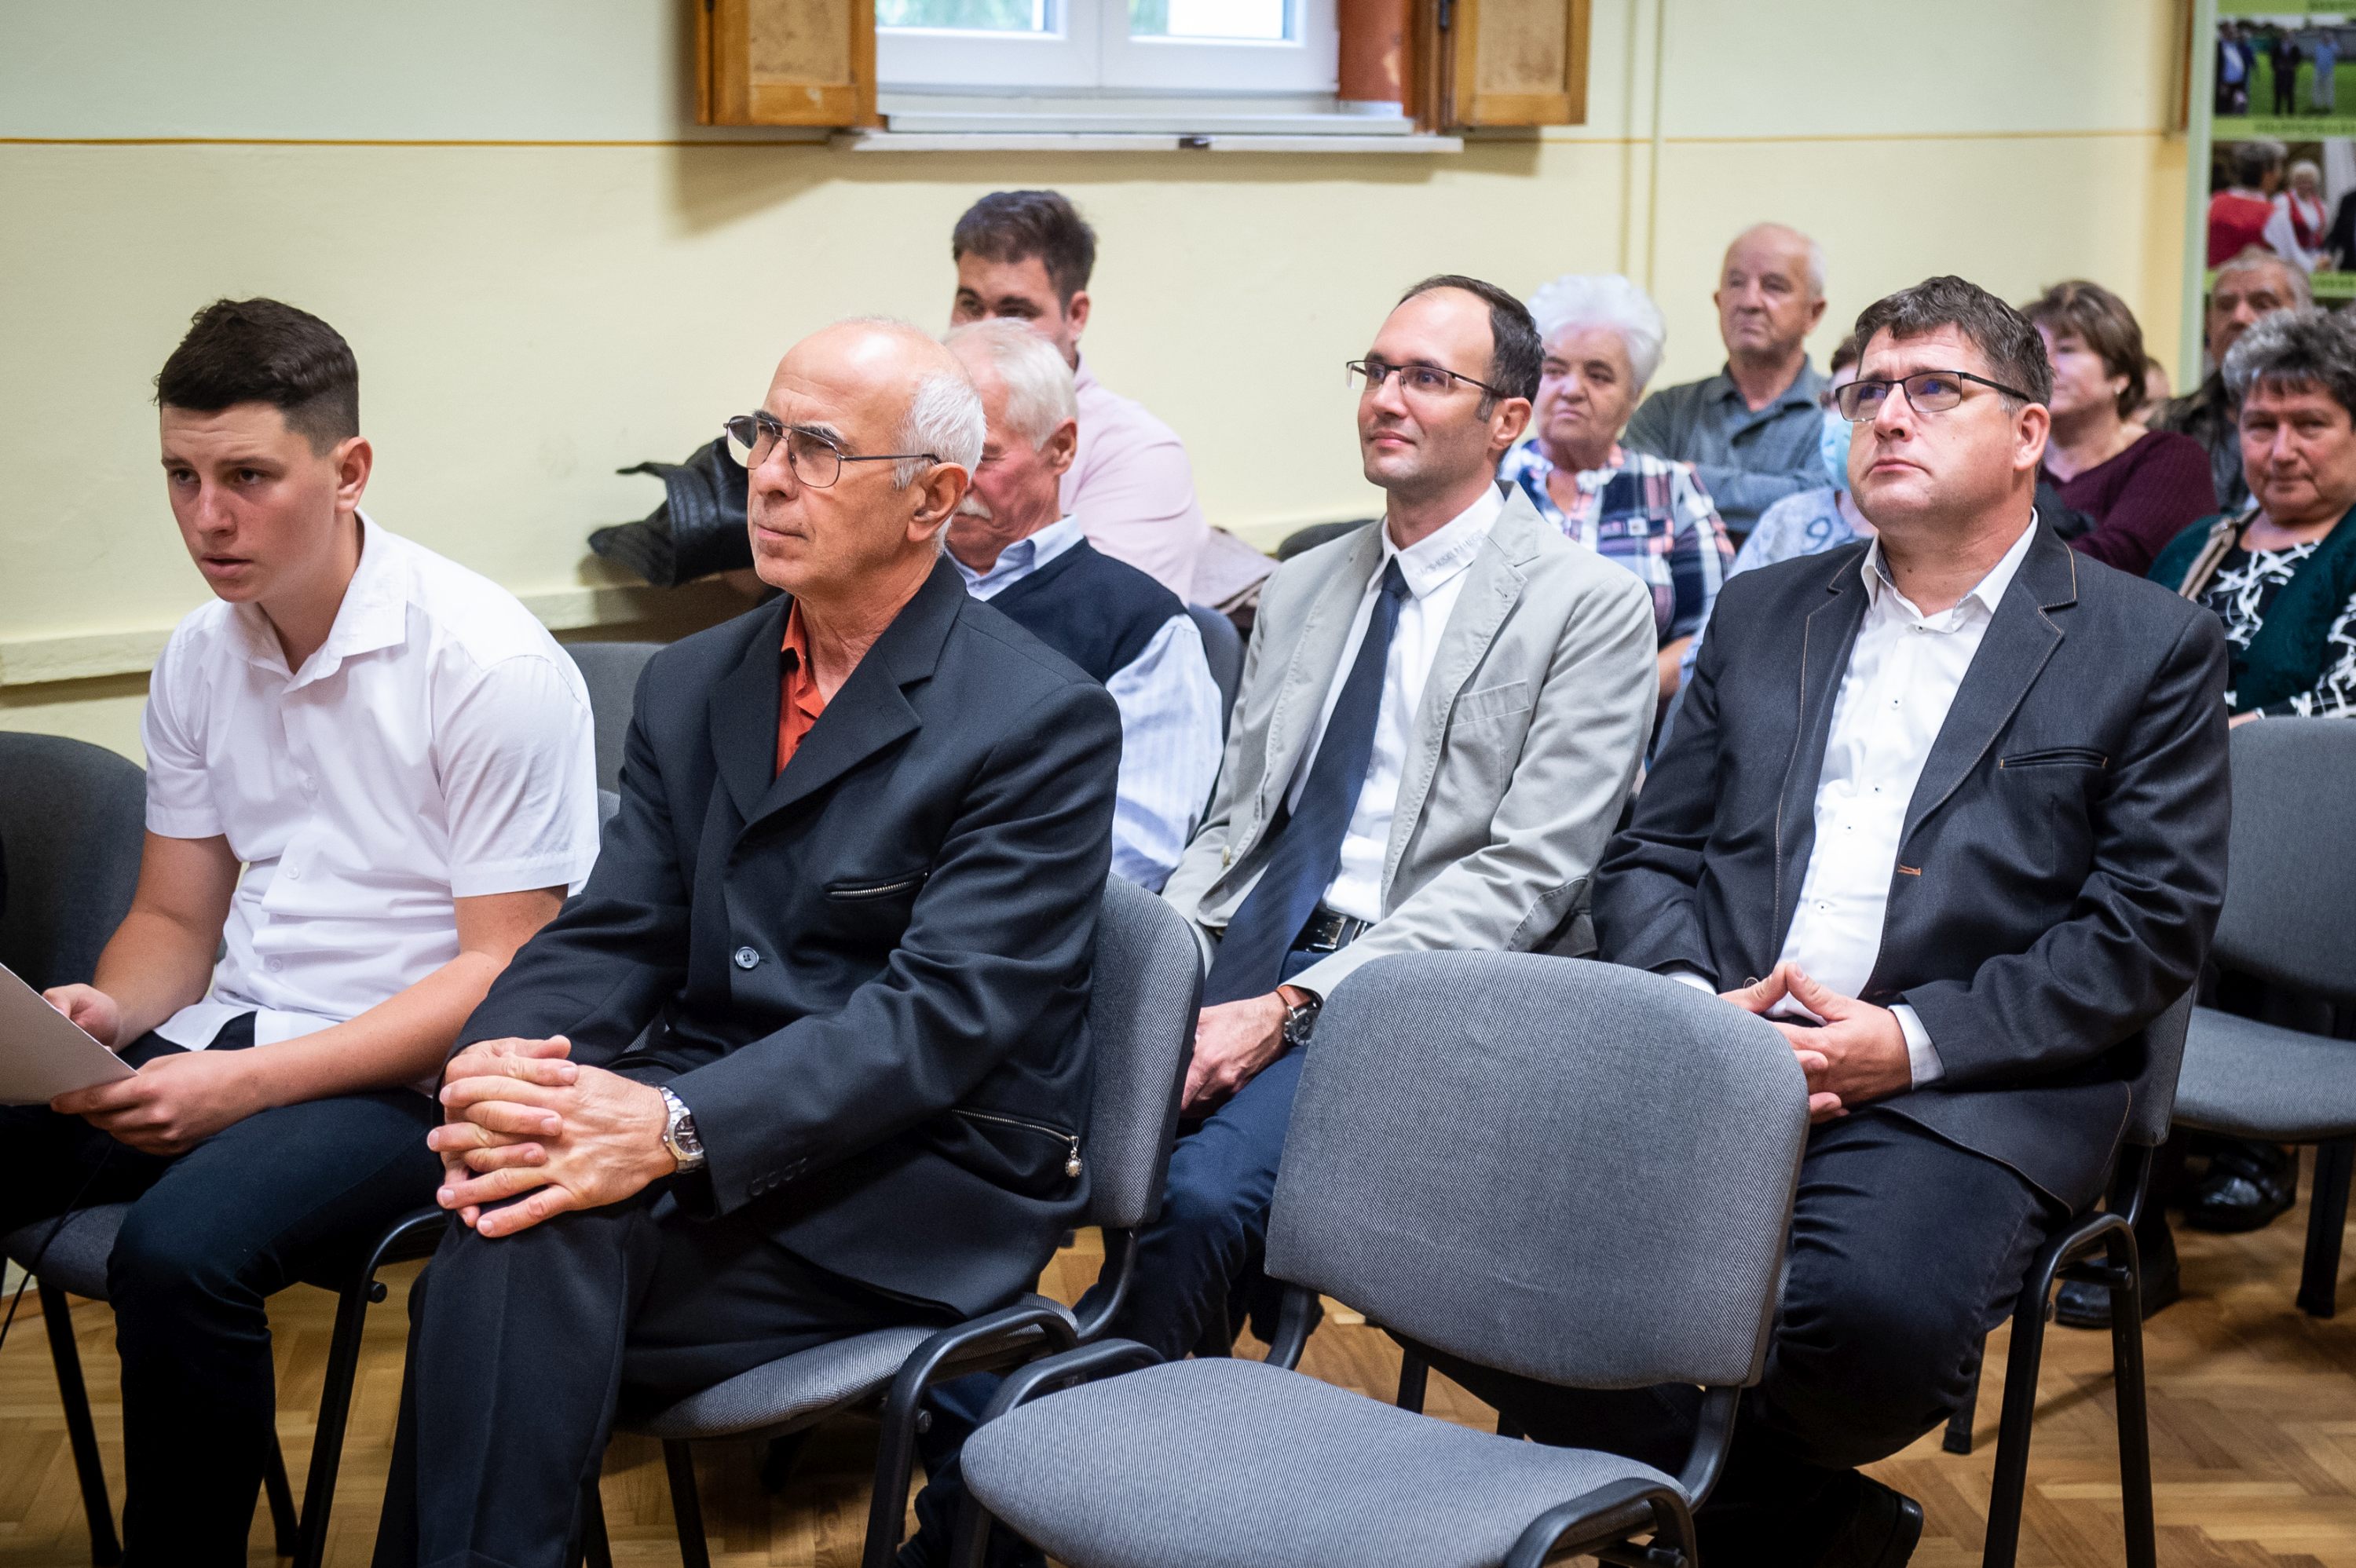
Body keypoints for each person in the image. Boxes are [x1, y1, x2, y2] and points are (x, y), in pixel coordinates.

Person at [1428, 276, 2232, 1568]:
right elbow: (1652, 853)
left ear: (2029, 432)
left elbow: (2144, 929)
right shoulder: (1766, 611)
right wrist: (1695, 1010)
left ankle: (1705, 1503)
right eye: (1866, 392)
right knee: (1427, 1227)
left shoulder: (2148, 644)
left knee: (1862, 1323)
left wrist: (1901, 1043)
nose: (1888, 416)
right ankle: (1793, 1521)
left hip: (1962, 1084)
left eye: (1936, 389)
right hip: (1717, 1047)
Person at [903, 275, 1659, 1568]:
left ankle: (998, 1525)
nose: (1388, 398)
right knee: (983, 1128)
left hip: (1433, 994)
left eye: (1429, 377)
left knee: (1197, 1198)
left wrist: (1291, 1006)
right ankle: (999, 1440)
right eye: (1378, 369)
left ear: (1510, 419)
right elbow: (1230, 826)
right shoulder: (1307, 585)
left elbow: (1528, 877)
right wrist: (1159, 974)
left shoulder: (1584, 605)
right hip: (1254, 947)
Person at [370, 319, 1123, 1567]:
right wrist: (506, 1064)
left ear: (933, 497)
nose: (765, 476)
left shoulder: (1039, 718)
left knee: (511, 1250)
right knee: (520, 1219)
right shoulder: (695, 680)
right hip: (719, 1115)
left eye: (817, 449)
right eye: (761, 433)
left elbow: (934, 1024)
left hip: (918, 1172)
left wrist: (669, 1128)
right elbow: (618, 931)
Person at [0, 298, 599, 1566]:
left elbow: (502, 971)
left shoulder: (488, 662)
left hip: (421, 1076)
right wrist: (108, 1013)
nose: (206, 517)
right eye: (182, 476)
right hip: (243, 1028)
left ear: (349, 470)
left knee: (180, 1254)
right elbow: (174, 920)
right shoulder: (199, 655)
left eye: (248, 477)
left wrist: (240, 1086)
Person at [2048, 308, 2356, 1329]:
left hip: (2297, 837)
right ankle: (2082, 1168)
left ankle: (2136, 1206)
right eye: (2261, 424)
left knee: (2150, 893)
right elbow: (2116, 665)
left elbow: (2341, 712)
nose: (2281, 448)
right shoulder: (2201, 541)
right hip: (2164, 807)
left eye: (2310, 423)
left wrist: (2211, 738)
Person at [942, 318, 1224, 891]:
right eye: (939, 453)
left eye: (983, 456)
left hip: (1014, 915)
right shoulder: (888, 589)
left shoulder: (1140, 625)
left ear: (1062, 448)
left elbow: (1138, 847)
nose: (954, 480)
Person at [948, 188, 1272, 611]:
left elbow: (1093, 624)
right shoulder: (912, 416)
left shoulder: (1138, 451)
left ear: (1075, 315)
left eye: (1016, 313)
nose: (983, 331)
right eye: (970, 305)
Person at [1499, 273, 1734, 706]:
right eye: (1554, 370)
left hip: (1630, 727)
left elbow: (1713, 629)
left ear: (1634, 395)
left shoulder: (1671, 490)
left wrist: (1614, 699)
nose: (1572, 389)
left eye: (1599, 375)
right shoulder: (1487, 479)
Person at [1625, 222, 1831, 539]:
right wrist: (1779, 492)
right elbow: (1633, 493)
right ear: (1719, 301)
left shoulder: (1845, 412)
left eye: (1774, 286)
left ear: (1813, 313)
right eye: (1736, 283)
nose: (1749, 301)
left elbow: (1827, 504)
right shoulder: (1665, 412)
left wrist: (1685, 479)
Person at [2025, 280, 2219, 576]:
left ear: (2120, 374)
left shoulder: (2172, 458)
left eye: (2066, 349)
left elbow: (2121, 558)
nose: (2045, 365)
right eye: (2036, 351)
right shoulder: (2009, 462)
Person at [2157, 250, 2311, 514]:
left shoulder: (2342, 419)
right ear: (2209, 324)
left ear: (2304, 319)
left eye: (2262, 303)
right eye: (2226, 306)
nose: (2239, 317)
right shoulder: (2169, 423)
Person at [2208, 141, 2285, 268]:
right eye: (2279, 169)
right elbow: (2287, 261)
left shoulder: (2213, 202)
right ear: (2267, 174)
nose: (2280, 175)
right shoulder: (2274, 214)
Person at [2271, 159, 2329, 271]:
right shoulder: (2283, 201)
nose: (2305, 185)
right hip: (2292, 259)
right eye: (2301, 181)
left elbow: (2323, 233)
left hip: (2316, 257)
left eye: (2309, 182)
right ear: (2293, 182)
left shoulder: (2321, 204)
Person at [2274, 30, 2303, 117]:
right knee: (2278, 94)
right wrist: (2277, 66)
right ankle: (2277, 113)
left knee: (2290, 94)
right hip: (2280, 74)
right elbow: (2273, 59)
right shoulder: (2277, 47)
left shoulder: (2295, 48)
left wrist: (2294, 66)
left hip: (2290, 74)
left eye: (2288, 35)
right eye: (2285, 35)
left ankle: (2291, 113)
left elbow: (2299, 58)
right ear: (2282, 36)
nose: (2287, 37)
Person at [2313, 30, 2340, 115]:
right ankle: (2317, 105)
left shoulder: (2333, 46)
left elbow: (2338, 52)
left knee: (2329, 89)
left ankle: (2329, 105)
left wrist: (2331, 43)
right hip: (2318, 70)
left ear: (2330, 38)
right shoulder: (2319, 46)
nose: (2326, 38)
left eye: (2328, 37)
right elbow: (2316, 56)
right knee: (2317, 88)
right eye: (2325, 37)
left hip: (2329, 70)